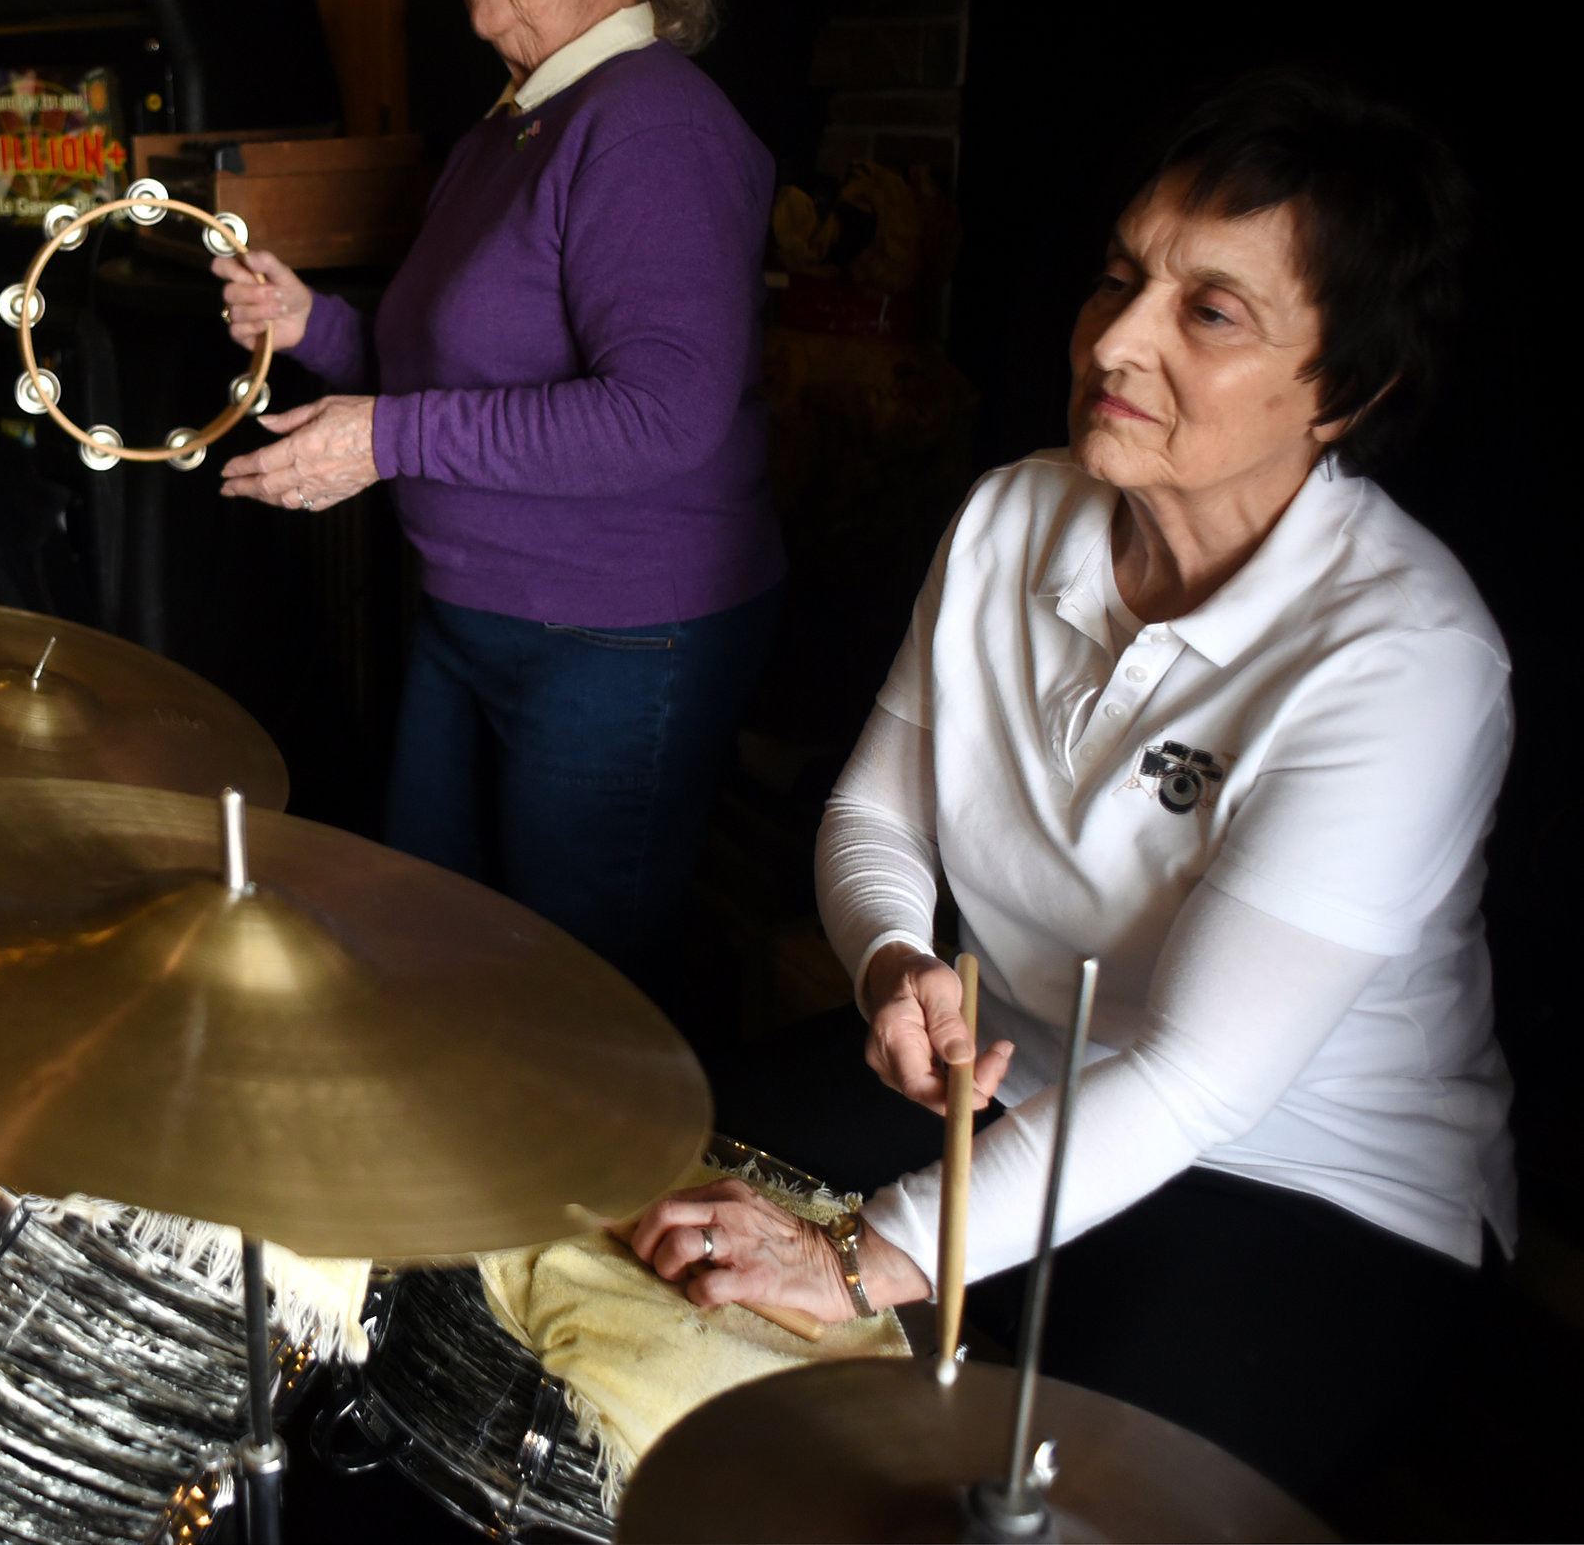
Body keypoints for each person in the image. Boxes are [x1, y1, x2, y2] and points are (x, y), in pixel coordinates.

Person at [625, 73, 1509, 1512]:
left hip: (1306, 1178)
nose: (1118, 335)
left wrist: (869, 1254)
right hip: (1015, 1073)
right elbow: (874, 820)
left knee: (1069, 1499)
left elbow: (1202, 1076)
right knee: (636, 1188)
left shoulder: (1407, 659)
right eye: (1119, 276)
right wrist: (895, 962)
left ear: (1348, 390)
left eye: (1209, 312)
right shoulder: (1012, 512)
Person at [212, 0, 781, 1007]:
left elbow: (662, 413)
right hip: (475, 619)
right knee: (433, 970)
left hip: (616, 635)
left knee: (568, 1011)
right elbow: (434, 373)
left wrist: (383, 439)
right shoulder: (511, 123)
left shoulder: (651, 124)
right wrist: (311, 321)